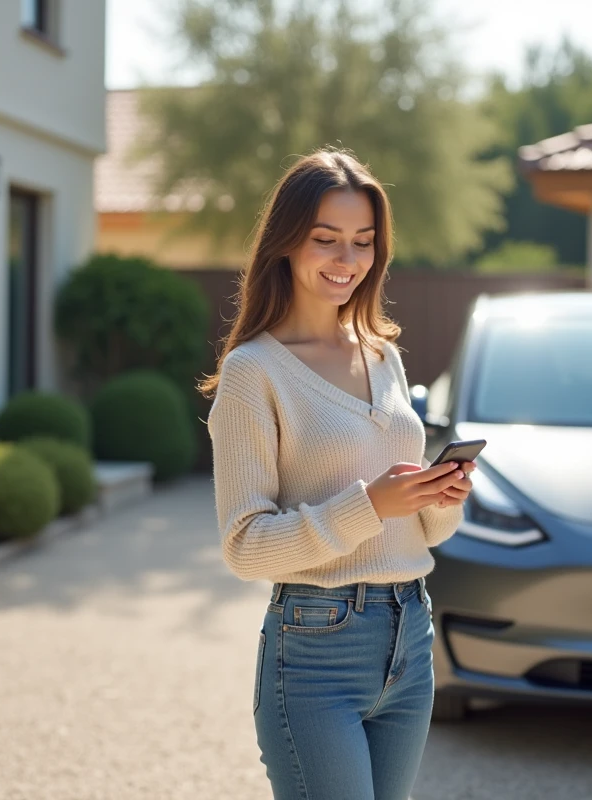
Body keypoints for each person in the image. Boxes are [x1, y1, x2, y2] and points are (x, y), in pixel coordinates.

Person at [200, 147, 476, 800]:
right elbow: (244, 545)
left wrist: (440, 497)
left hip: (410, 631)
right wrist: (370, 505)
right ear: (287, 242)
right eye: (326, 238)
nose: (347, 259)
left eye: (363, 241)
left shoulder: (384, 356)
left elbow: (424, 533)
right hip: (315, 650)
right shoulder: (253, 372)